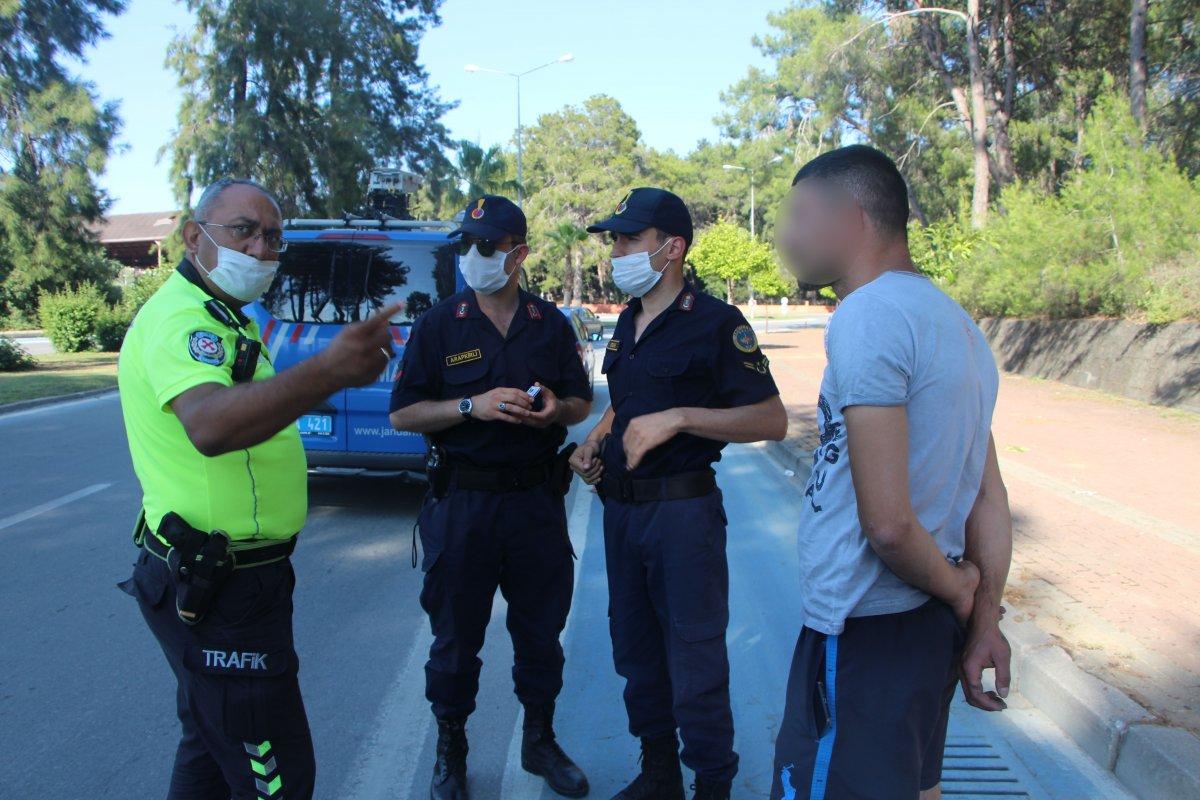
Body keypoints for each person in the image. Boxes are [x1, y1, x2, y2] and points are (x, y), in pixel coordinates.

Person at [117, 178, 399, 799]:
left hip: (238, 582)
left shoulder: (227, 317)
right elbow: (213, 426)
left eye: (272, 236)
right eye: (243, 230)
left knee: (210, 747)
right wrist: (327, 371)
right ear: (195, 238)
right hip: (218, 588)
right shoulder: (183, 322)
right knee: (276, 776)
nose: (263, 248)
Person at [770, 145, 1013, 800]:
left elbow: (887, 524)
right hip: (924, 633)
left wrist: (966, 596)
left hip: (865, 631)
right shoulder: (957, 326)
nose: (785, 235)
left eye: (799, 214)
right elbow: (988, 495)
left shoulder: (869, 315)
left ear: (852, 220)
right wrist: (981, 617)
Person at [570, 188, 788, 800]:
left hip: (683, 515)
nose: (616, 251)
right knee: (635, 650)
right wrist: (595, 438)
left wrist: (681, 418)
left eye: (628, 239)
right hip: (623, 511)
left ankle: (711, 784)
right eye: (614, 239)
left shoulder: (718, 324)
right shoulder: (629, 324)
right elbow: (631, 405)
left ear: (673, 248)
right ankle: (659, 771)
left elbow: (771, 420)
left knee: (694, 658)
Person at [389, 195, 593, 800]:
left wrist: (559, 409)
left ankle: (540, 740)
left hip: (534, 505)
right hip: (463, 505)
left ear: (518, 253)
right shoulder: (438, 323)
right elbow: (403, 414)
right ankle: (451, 751)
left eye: (486, 246)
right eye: (465, 245)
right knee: (455, 639)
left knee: (540, 634)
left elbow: (580, 400)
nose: (472, 256)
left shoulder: (548, 324)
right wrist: (468, 406)